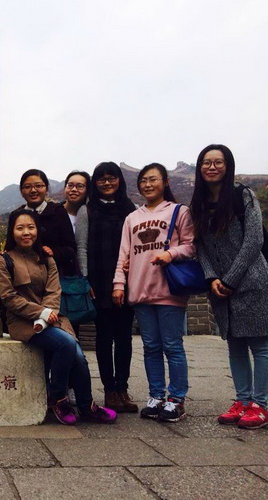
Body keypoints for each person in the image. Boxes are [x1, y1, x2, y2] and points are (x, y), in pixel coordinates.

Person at [0, 208, 116, 425]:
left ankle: (87, 407)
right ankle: (58, 398)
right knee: (67, 345)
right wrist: (41, 313)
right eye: (20, 228)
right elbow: (9, 298)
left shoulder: (47, 259)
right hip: (22, 322)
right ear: (12, 231)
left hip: (53, 318)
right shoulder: (4, 261)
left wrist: (48, 313)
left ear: (37, 230)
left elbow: (53, 290)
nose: (26, 232)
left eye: (30, 227)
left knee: (78, 355)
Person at [191, 145, 268, 429]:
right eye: (206, 162)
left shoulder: (242, 195)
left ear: (228, 166)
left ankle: (261, 404)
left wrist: (231, 279)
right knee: (235, 346)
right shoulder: (198, 204)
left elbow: (254, 240)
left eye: (218, 162)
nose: (211, 167)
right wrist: (212, 278)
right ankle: (242, 401)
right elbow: (200, 246)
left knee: (260, 345)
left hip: (253, 282)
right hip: (220, 288)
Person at [113, 163, 195, 422]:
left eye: (153, 179)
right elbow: (123, 254)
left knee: (172, 345)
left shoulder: (178, 211)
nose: (147, 185)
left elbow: (191, 246)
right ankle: (156, 396)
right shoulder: (132, 218)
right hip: (140, 289)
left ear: (165, 182)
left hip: (169, 289)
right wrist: (119, 284)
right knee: (150, 347)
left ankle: (176, 399)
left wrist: (170, 253)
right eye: (143, 181)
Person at [76, 162, 138, 413]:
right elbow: (82, 247)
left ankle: (122, 387)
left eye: (112, 178)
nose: (107, 183)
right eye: (101, 179)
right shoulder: (87, 210)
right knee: (104, 337)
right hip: (98, 282)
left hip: (126, 281)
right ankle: (109, 390)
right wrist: (85, 280)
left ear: (120, 180)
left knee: (124, 337)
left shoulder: (131, 209)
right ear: (95, 183)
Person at [16, 169, 77, 277]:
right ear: (21, 191)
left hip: (55, 276)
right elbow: (11, 246)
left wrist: (53, 252)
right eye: (27, 187)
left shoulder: (58, 211)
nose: (33, 190)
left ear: (47, 189)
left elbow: (71, 249)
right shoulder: (16, 215)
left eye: (38, 186)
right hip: (24, 277)